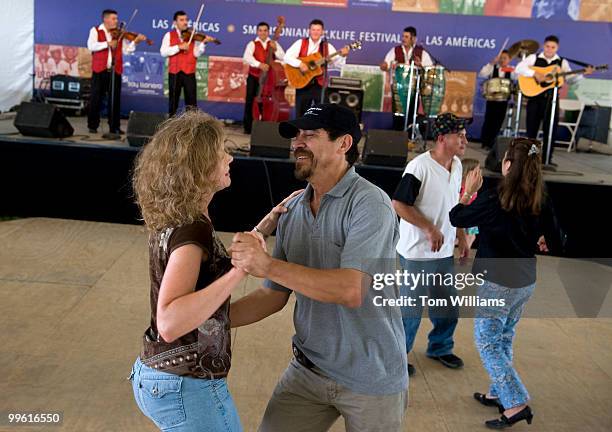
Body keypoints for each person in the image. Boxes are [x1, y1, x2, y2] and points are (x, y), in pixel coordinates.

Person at [229, 104, 408, 431]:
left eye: (310, 135)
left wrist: (267, 264)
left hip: (371, 376)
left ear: (344, 144)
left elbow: (350, 290)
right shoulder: (293, 208)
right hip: (309, 370)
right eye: (295, 136)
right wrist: (209, 322)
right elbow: (273, 296)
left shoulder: (371, 203)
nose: (297, 143)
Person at [128, 110, 297, 431]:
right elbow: (170, 321)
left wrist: (267, 224)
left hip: (161, 375)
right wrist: (239, 270)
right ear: (200, 167)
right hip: (186, 385)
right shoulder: (194, 231)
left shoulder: (181, 218)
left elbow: (203, 290)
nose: (229, 159)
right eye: (221, 152)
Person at [449, 138, 561, 429]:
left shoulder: (494, 197)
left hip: (497, 282)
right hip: (525, 281)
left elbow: (456, 217)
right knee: (504, 337)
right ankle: (498, 392)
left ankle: (516, 403)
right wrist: (540, 238)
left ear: (508, 164)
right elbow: (558, 240)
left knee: (487, 342)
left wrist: (468, 193)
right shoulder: (541, 198)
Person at [391, 112, 469, 376]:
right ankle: (396, 358)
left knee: (447, 305)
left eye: (464, 134)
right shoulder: (419, 167)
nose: (464, 139)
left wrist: (460, 236)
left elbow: (454, 206)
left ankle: (440, 347)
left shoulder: (457, 165)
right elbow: (399, 204)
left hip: (444, 252)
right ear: (441, 138)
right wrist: (429, 228)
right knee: (410, 311)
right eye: (459, 135)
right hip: (416, 253)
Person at [516, 35, 592, 166]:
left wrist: (582, 74)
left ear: (557, 48)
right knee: (531, 130)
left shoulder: (562, 62)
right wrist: (535, 74)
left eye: (553, 47)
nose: (549, 49)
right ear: (543, 46)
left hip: (552, 101)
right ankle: (530, 159)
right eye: (547, 46)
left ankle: (546, 159)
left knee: (550, 130)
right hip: (535, 99)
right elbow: (519, 68)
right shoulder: (534, 57)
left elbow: (570, 79)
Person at [87, 9, 145, 134]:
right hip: (99, 70)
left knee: (115, 99)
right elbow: (91, 46)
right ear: (106, 19)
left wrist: (134, 42)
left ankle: (114, 127)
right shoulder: (95, 30)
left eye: (117, 19)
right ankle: (93, 125)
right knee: (96, 98)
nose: (116, 21)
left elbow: (126, 50)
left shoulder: (119, 34)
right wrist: (107, 43)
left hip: (115, 70)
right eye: (114, 19)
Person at [283, 20, 349, 117]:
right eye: (313, 29)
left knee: (321, 114)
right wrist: (300, 64)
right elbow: (286, 57)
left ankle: (317, 132)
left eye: (318, 30)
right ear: (309, 30)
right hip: (302, 83)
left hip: (320, 85)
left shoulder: (327, 47)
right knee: (301, 114)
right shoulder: (300, 43)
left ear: (322, 32)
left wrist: (343, 56)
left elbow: (338, 65)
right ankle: (301, 132)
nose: (315, 32)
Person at [380, 26, 434, 131]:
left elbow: (429, 69)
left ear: (413, 39)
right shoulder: (395, 50)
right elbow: (385, 65)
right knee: (398, 114)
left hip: (414, 88)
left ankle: (409, 136)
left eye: (406, 37)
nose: (403, 39)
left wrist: (420, 65)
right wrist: (384, 66)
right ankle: (397, 135)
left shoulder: (421, 52)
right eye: (403, 36)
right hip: (398, 87)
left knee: (411, 113)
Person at [160, 10, 212, 116]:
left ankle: (191, 128)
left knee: (192, 104)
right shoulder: (169, 35)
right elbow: (163, 52)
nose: (185, 22)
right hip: (174, 73)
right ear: (175, 23)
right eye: (182, 20)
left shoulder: (192, 35)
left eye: (186, 20)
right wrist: (178, 47)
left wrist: (203, 44)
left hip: (189, 73)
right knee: (173, 103)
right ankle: (171, 127)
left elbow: (197, 54)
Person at [242, 21, 286, 134]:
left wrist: (276, 49)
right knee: (250, 101)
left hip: (268, 80)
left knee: (267, 102)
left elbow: (283, 57)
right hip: (254, 77)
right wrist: (259, 64)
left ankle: (265, 126)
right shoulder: (252, 43)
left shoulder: (273, 43)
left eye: (265, 30)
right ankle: (249, 127)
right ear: (257, 31)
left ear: (268, 32)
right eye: (260, 30)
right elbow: (247, 57)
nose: (262, 33)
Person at [478, 50, 515, 149]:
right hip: (492, 99)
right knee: (489, 120)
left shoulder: (512, 70)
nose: (502, 60)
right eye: (501, 58)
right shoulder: (493, 68)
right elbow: (482, 74)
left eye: (505, 58)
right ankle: (485, 142)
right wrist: (491, 63)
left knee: (498, 122)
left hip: (503, 100)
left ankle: (492, 143)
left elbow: (519, 77)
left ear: (509, 59)